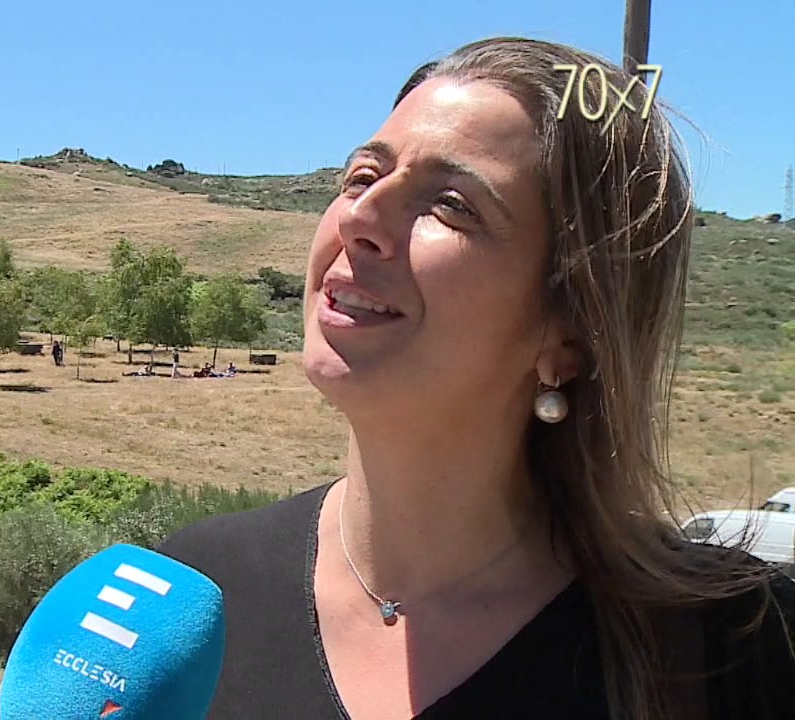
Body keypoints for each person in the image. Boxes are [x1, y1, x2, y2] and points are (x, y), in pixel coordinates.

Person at [158, 37, 795, 720]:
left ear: (569, 332)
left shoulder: (735, 649)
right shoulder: (195, 596)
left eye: (452, 203)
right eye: (362, 177)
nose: (360, 218)